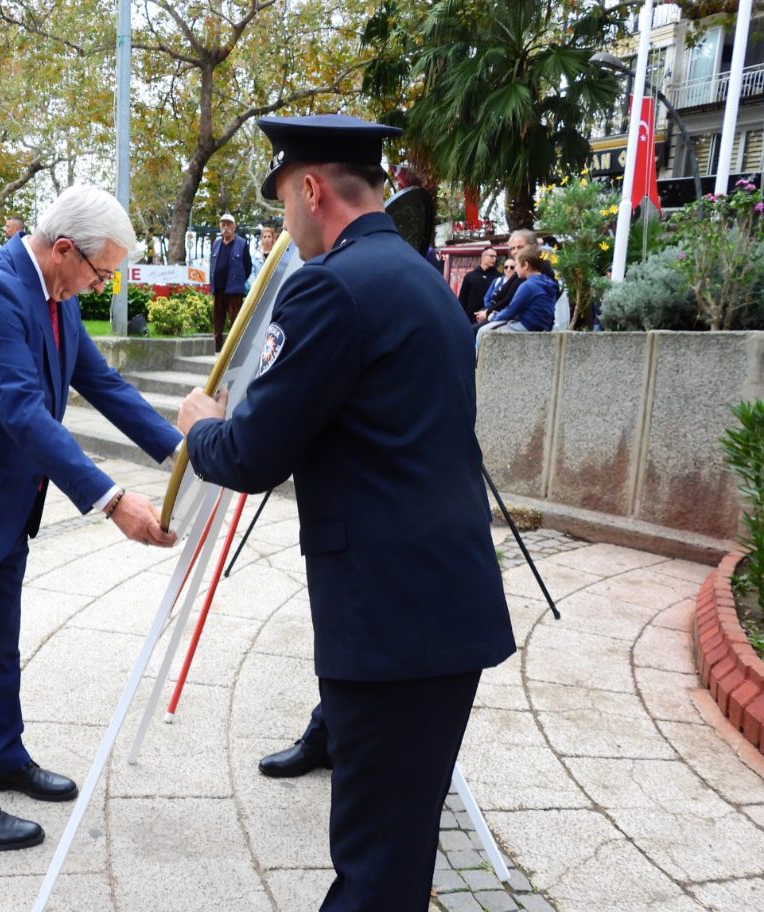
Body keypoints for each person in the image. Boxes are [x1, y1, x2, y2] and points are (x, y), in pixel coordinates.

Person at [177, 114, 515, 912]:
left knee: (373, 867)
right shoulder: (417, 276)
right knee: (397, 845)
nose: (284, 226)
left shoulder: (330, 285)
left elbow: (254, 455)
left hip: (390, 620)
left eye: (283, 205)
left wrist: (200, 428)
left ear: (311, 187)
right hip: (436, 604)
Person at [0, 184, 182, 852]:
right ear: (65, 249)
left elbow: (102, 384)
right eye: (99, 273)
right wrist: (111, 501)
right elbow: (20, 409)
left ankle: (0, 755)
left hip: (4, 506)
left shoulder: (54, 294)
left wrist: (185, 455)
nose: (96, 287)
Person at [475, 247, 558, 352]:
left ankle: (477, 366)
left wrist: (493, 316)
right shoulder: (548, 283)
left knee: (482, 331)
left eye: (516, 265)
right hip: (544, 326)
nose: (515, 269)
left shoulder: (528, 285)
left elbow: (510, 310)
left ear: (526, 265)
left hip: (527, 325)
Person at [474, 229, 537, 325]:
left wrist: (489, 314)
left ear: (533, 247)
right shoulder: (503, 278)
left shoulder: (532, 274)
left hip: (522, 323)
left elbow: (510, 302)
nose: (515, 252)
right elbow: (498, 295)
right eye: (512, 248)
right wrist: (487, 310)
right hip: (506, 316)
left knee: (478, 332)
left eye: (520, 247)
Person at [209, 213, 251, 352]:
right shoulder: (216, 243)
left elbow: (248, 266)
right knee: (217, 321)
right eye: (223, 224)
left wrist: (238, 281)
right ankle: (217, 348)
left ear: (234, 227)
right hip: (218, 288)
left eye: (229, 224)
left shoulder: (242, 243)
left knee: (235, 320)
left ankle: (235, 349)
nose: (225, 227)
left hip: (234, 290)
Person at [457, 245, 499, 324]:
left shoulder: (498, 277)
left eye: (495, 257)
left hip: (489, 318)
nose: (494, 259)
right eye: (491, 256)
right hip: (470, 319)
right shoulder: (470, 276)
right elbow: (462, 299)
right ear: (483, 257)